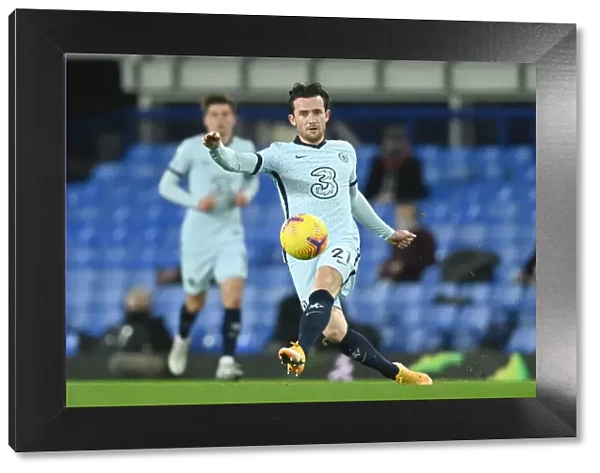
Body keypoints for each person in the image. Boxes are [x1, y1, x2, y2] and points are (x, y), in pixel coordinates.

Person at [202, 82, 432, 386]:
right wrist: (217, 149)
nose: (311, 118)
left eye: (316, 112)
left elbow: (353, 198)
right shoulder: (279, 155)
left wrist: (386, 233)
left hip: (340, 238)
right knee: (334, 331)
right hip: (300, 249)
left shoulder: (344, 152)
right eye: (304, 113)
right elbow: (237, 163)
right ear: (292, 120)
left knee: (324, 283)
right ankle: (396, 372)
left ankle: (300, 349)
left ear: (327, 116)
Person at [158, 93, 259, 380]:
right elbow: (166, 186)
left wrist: (246, 196)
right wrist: (194, 201)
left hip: (230, 231)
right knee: (195, 302)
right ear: (205, 119)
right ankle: (182, 340)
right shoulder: (190, 148)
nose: (220, 119)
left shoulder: (245, 147)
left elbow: (252, 180)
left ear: (234, 118)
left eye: (226, 114)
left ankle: (227, 362)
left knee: (233, 294)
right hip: (197, 235)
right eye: (214, 114)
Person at [104, 288, 173, 379]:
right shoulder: (122, 326)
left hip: (150, 359)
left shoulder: (156, 324)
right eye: (136, 299)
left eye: (141, 299)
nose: (138, 303)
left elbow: (165, 346)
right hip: (125, 358)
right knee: (116, 361)